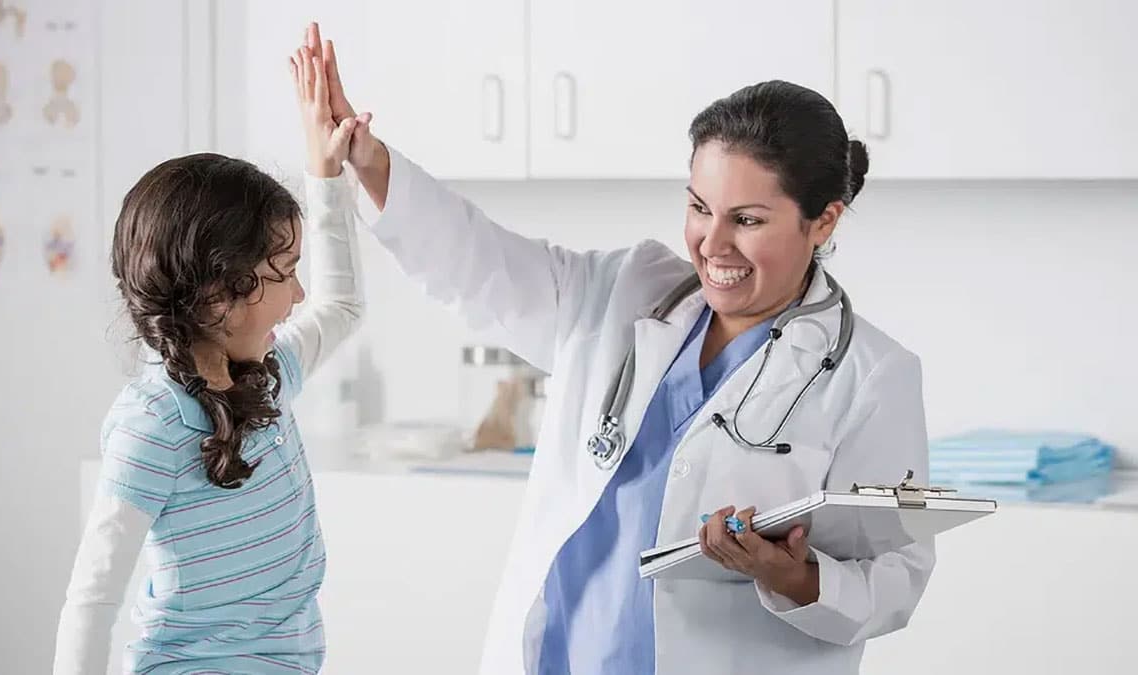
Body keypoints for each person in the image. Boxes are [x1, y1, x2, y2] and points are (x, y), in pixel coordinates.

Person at [336, 20, 932, 674]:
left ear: (823, 220)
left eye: (748, 219)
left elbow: (897, 575)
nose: (712, 242)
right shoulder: (624, 292)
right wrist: (368, 159)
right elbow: (481, 262)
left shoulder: (871, 375)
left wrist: (797, 577)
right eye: (700, 207)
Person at [52, 37, 363, 674]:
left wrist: (325, 172)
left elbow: (342, 308)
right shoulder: (154, 424)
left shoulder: (269, 375)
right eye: (284, 274)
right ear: (219, 293)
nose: (299, 294)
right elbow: (93, 599)